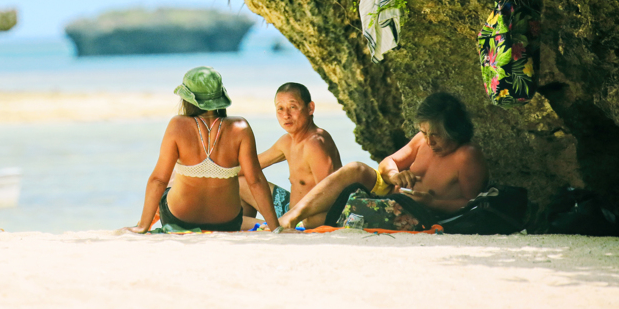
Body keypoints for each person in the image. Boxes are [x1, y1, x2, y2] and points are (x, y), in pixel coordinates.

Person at [279, 91, 488, 229]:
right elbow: (388, 162)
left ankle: (296, 218)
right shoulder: (421, 141)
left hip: (417, 213)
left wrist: (432, 202)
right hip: (390, 195)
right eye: (425, 133)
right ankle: (291, 215)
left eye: (436, 134)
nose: (430, 141)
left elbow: (472, 205)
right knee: (356, 168)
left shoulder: (467, 156)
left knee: (313, 221)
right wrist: (395, 175)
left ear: (454, 131)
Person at [126, 66, 280, 233]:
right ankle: (262, 222)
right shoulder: (240, 127)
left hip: (181, 219)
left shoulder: (177, 125)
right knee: (234, 183)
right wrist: (276, 227)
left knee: (172, 175)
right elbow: (255, 180)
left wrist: (143, 226)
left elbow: (158, 180)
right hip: (227, 221)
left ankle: (142, 222)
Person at [238, 83, 342, 229]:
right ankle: (262, 226)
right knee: (241, 181)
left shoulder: (315, 143)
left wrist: (292, 219)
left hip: (308, 219)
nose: (286, 115)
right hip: (289, 210)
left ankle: (267, 226)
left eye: (293, 107)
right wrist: (207, 176)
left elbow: (329, 196)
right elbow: (250, 167)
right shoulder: (286, 142)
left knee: (234, 223)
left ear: (310, 108)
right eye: (280, 109)